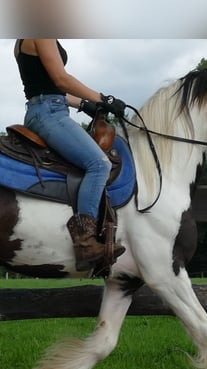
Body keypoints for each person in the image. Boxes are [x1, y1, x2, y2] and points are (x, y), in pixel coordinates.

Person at [14, 38, 127, 271]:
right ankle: (85, 242)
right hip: (50, 114)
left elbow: (45, 86)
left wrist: (84, 104)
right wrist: (104, 99)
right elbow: (61, 79)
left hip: (46, 108)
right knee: (99, 165)